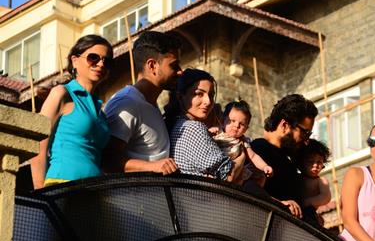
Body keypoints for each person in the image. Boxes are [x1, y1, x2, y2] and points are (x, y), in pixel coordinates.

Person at [31, 35, 113, 188]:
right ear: (75, 60)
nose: (101, 64)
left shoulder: (101, 112)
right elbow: (38, 144)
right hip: (62, 186)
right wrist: (40, 191)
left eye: (106, 61)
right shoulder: (62, 93)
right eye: (93, 57)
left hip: (95, 192)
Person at [103, 31, 182, 174]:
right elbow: (107, 160)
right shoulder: (127, 103)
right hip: (129, 196)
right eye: (174, 66)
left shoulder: (151, 105)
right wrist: (153, 166)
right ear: (152, 65)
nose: (180, 72)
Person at [165, 68, 245, 181]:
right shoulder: (193, 128)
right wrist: (242, 156)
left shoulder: (175, 124)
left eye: (211, 95)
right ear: (180, 97)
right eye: (199, 94)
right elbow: (227, 176)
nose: (208, 101)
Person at [250, 94, 318, 220]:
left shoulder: (287, 158)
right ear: (285, 125)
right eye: (304, 132)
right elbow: (248, 189)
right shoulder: (259, 150)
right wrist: (279, 204)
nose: (306, 140)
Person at [212, 100, 273, 183]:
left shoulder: (243, 141)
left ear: (246, 129)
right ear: (223, 121)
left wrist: (264, 166)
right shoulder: (217, 132)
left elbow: (253, 156)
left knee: (259, 176)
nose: (236, 126)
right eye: (232, 121)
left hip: (236, 170)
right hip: (218, 168)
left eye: (242, 124)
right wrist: (210, 132)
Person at [295, 139, 332, 226]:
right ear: (301, 162)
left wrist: (306, 202)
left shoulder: (321, 181)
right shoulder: (296, 177)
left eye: (319, 162)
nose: (315, 165)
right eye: (310, 161)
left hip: (310, 213)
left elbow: (326, 197)